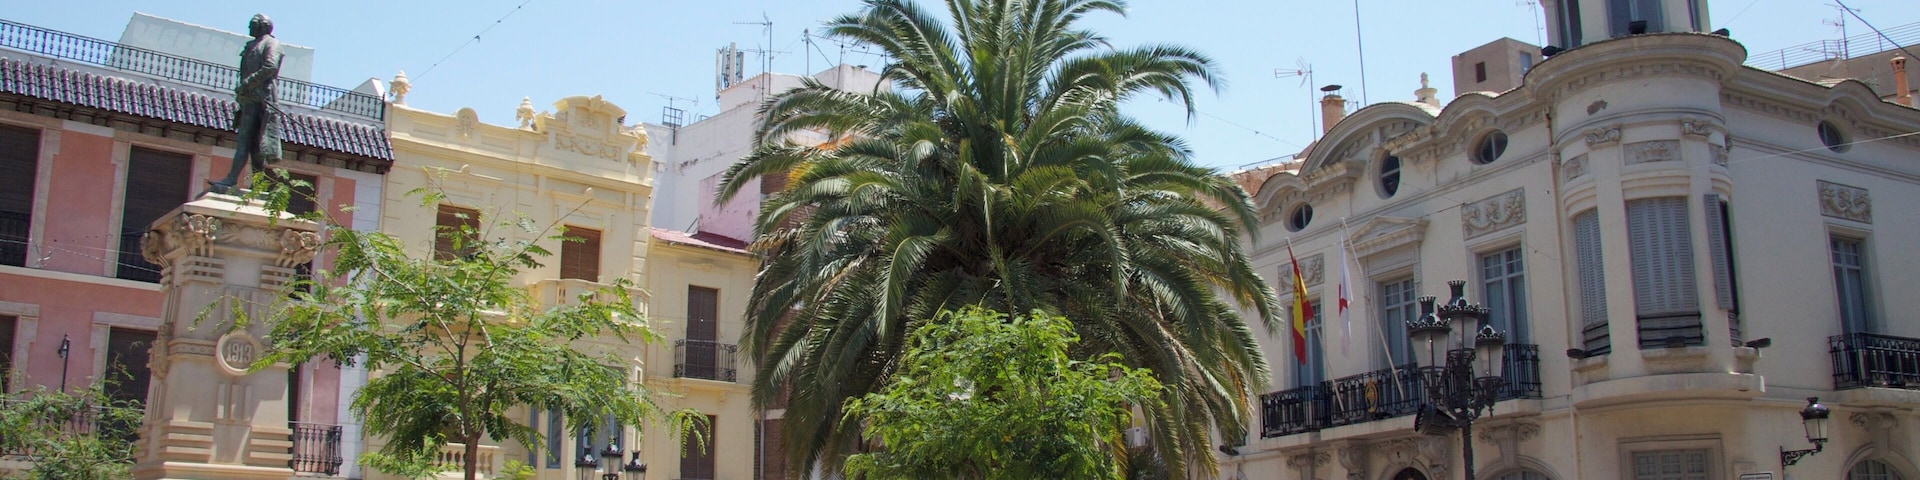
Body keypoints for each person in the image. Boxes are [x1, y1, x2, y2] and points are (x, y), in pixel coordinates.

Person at [209, 14, 284, 194]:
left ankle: (234, 179)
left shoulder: (271, 44)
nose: (249, 28)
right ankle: (253, 184)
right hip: (249, 100)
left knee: (254, 143)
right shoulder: (252, 45)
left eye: (252, 25)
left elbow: (270, 66)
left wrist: (248, 83)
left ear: (263, 26)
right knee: (249, 142)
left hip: (261, 99)